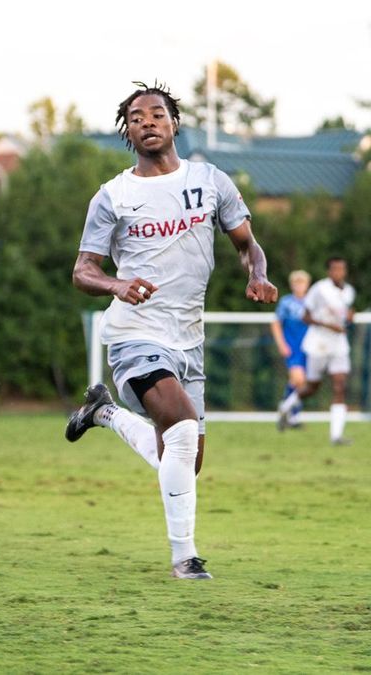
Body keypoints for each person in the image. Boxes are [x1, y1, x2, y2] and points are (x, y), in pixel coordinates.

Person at [64, 82, 277, 580]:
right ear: (128, 132)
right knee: (179, 427)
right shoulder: (113, 195)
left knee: (183, 458)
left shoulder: (210, 181)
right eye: (136, 118)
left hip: (190, 337)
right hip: (135, 331)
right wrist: (116, 285)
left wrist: (258, 274)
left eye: (156, 114)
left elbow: (247, 244)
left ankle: (105, 414)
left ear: (174, 122)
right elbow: (82, 271)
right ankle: (185, 558)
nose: (148, 122)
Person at [276, 257, 356, 445]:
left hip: (339, 345)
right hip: (318, 344)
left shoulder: (349, 291)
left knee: (340, 386)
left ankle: (336, 436)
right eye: (335, 269)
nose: (338, 273)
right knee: (312, 387)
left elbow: (346, 316)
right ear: (329, 271)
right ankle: (286, 407)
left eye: (341, 269)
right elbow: (306, 316)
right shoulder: (319, 289)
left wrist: (350, 318)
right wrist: (328, 326)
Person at [270, 270, 311, 430]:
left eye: (302, 283)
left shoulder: (311, 302)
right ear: (292, 285)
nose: (299, 286)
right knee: (298, 379)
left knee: (298, 382)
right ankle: (288, 411)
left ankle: (290, 414)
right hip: (293, 346)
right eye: (297, 283)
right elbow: (276, 323)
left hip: (309, 347)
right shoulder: (286, 302)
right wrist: (281, 344)